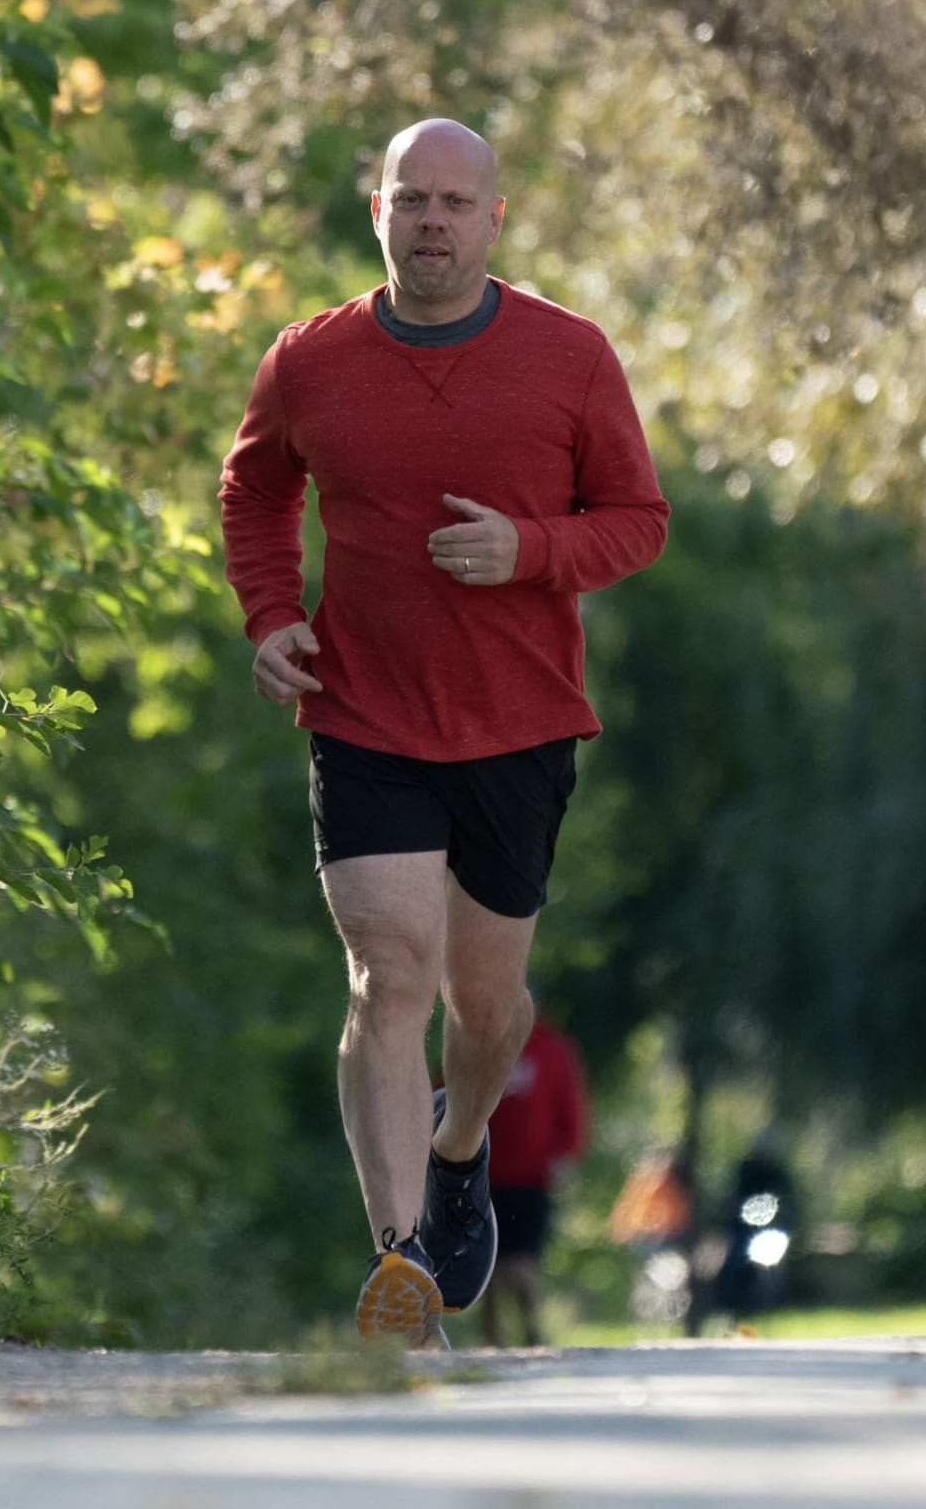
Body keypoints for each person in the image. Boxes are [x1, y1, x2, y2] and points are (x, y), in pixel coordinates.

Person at [219, 117, 668, 1349]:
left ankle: (459, 1139)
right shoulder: (310, 359)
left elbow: (637, 518)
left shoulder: (568, 356)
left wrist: (532, 550)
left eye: (454, 202)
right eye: (410, 198)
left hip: (519, 719)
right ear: (377, 211)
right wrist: (270, 615)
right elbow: (255, 489)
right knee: (388, 972)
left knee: (489, 1006)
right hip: (362, 707)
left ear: (493, 219)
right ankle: (401, 1261)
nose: (432, 219)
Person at [475, 1005, 589, 1346]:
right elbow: (446, 1094)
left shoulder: (551, 1050)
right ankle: (491, 1337)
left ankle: (529, 1326)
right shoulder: (478, 1045)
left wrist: (566, 1155)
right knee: (486, 1262)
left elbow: (572, 1107)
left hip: (532, 1179)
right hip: (482, 1174)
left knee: (522, 1261)